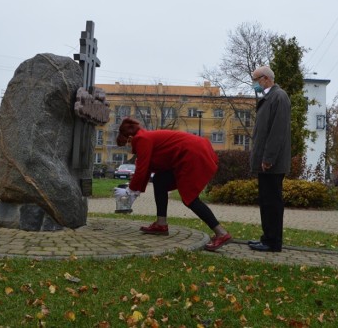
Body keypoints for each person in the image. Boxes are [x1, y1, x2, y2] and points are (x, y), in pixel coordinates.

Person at [116, 117, 232, 251]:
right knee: (159, 180)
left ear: (130, 137)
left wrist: (129, 191)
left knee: (190, 198)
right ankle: (161, 224)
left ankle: (221, 233)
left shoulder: (142, 139)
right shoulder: (144, 137)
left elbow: (142, 168)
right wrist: (134, 192)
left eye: (127, 143)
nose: (129, 147)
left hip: (192, 155)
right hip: (189, 153)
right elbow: (146, 168)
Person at [248, 65, 291, 252]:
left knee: (272, 202)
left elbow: (277, 132)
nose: (254, 84)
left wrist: (268, 158)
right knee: (266, 201)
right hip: (266, 162)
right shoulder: (269, 97)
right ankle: (267, 239)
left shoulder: (279, 96)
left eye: (256, 80)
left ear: (265, 78)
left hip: (272, 163)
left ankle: (273, 242)